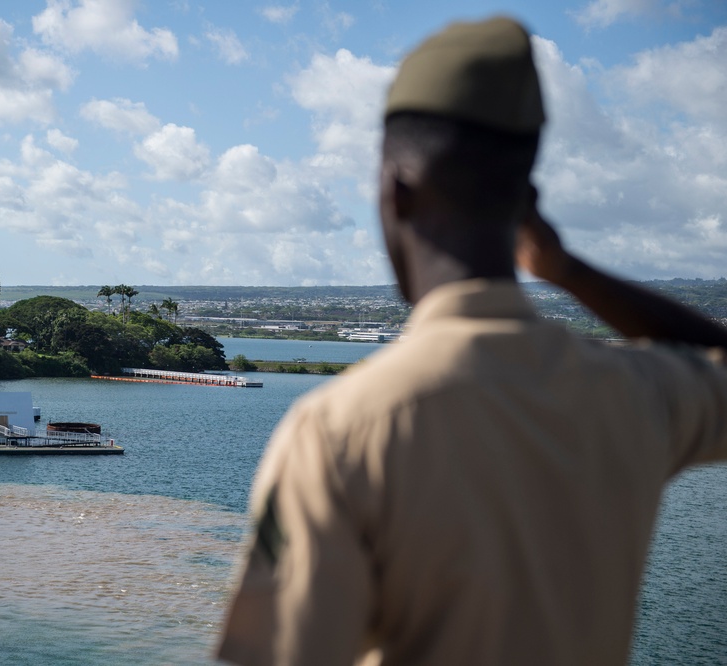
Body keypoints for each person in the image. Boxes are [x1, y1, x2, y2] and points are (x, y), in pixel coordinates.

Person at [216, 16, 727, 666]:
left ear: (395, 192)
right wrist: (568, 270)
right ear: (525, 202)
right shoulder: (634, 392)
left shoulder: (339, 431)